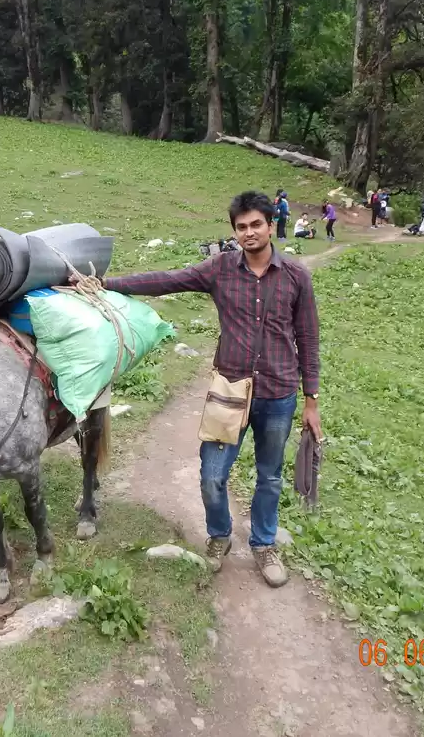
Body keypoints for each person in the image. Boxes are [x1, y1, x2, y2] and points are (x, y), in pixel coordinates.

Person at [91, 191, 322, 588]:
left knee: (268, 477)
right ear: (234, 231)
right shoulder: (219, 269)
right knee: (212, 476)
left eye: (256, 225)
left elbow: (308, 337)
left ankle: (264, 544)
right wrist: (107, 284)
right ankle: (220, 536)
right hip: (229, 392)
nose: (249, 233)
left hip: (279, 393)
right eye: (241, 227)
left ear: (271, 225)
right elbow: (167, 281)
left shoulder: (296, 276)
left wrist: (311, 400)